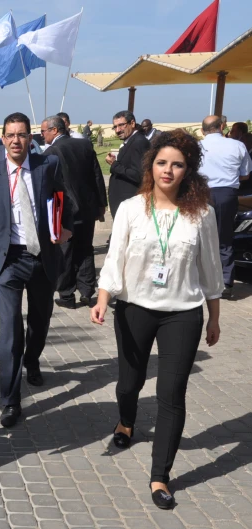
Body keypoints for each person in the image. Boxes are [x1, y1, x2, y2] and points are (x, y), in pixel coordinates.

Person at [91, 130, 223, 510]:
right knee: (129, 383)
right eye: (162, 162)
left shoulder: (202, 213)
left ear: (188, 170)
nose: (169, 170)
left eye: (177, 164)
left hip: (183, 313)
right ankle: (126, 421)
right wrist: (102, 299)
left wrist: (214, 318)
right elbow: (115, 258)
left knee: (171, 394)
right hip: (134, 308)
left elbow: (211, 269)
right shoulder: (133, 208)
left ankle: (159, 475)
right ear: (152, 166)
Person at [0, 112, 72, 428]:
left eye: (22, 134)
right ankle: (10, 400)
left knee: (41, 318)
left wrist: (64, 228)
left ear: (30, 138)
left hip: (43, 257)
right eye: (10, 135)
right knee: (10, 328)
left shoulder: (48, 166)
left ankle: (32, 360)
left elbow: (63, 201)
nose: (16, 140)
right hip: (9, 261)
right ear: (3, 139)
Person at [41, 116, 107, 308]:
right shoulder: (85, 145)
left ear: (55, 130)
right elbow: (97, 176)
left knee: (65, 252)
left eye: (44, 131)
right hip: (88, 208)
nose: (42, 134)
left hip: (64, 209)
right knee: (86, 248)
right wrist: (102, 203)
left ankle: (67, 295)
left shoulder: (51, 152)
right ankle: (87, 291)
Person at [198, 115, 252, 299]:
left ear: (202, 130)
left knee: (199, 237)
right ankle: (226, 282)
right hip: (226, 194)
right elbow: (245, 175)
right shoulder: (237, 145)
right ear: (222, 126)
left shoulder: (198, 147)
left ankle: (201, 279)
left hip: (201, 193)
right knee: (224, 238)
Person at [106, 110, 150, 218]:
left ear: (132, 123)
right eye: (115, 127)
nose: (117, 130)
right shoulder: (131, 141)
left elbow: (139, 175)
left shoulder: (138, 142)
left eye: (121, 125)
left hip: (131, 204)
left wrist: (114, 165)